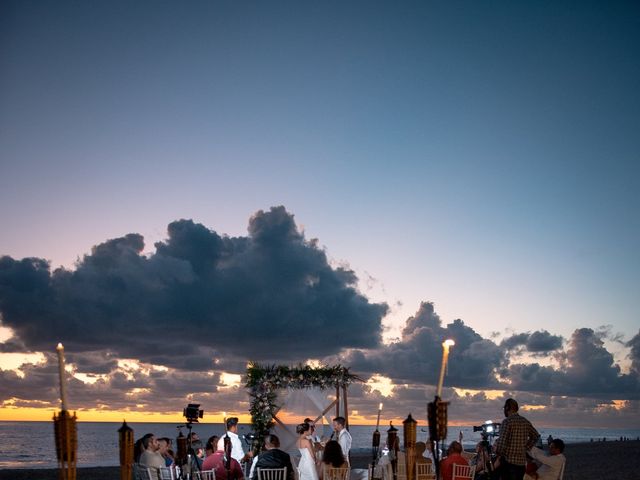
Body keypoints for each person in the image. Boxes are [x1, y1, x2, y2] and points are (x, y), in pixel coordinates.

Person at [494, 398, 540, 480]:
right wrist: (526, 448)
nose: (504, 410)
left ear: (507, 408)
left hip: (508, 463)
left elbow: (501, 443)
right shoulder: (525, 421)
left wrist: (497, 452)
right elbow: (535, 436)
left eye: (504, 408)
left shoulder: (507, 421)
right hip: (521, 464)